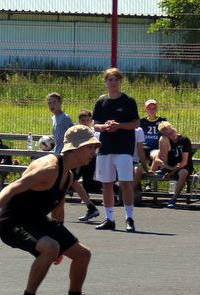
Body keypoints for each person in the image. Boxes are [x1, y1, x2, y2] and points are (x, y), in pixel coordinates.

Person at [0, 125, 107, 295]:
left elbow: (58, 209)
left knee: (82, 254)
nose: (93, 153)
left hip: (36, 220)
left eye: (94, 148)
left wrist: (62, 241)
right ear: (75, 148)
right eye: (90, 148)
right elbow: (11, 188)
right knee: (50, 247)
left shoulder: (68, 175)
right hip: (13, 222)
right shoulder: (49, 168)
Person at [92, 68, 140, 233]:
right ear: (105, 82)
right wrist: (104, 127)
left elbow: (135, 123)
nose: (113, 83)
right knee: (106, 184)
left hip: (123, 148)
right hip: (105, 148)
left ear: (120, 82)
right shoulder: (101, 102)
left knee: (125, 183)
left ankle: (129, 218)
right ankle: (110, 218)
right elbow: (95, 123)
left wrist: (119, 126)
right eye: (110, 80)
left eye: (116, 80)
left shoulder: (128, 101)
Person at [150, 121, 193, 208]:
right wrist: (165, 166)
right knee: (161, 141)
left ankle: (174, 198)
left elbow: (184, 162)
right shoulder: (165, 140)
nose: (172, 134)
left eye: (172, 131)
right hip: (170, 166)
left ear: (174, 128)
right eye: (168, 134)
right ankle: (155, 177)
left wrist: (172, 172)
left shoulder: (184, 140)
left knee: (183, 173)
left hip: (183, 166)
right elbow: (157, 158)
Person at [73, 109, 102, 222]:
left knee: (78, 180)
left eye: (87, 120)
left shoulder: (94, 132)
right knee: (72, 179)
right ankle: (89, 206)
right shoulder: (77, 131)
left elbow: (95, 147)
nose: (85, 122)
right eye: (82, 120)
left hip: (89, 160)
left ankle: (89, 206)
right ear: (79, 121)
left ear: (91, 120)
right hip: (78, 159)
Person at [46, 92, 74, 157]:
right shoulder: (54, 118)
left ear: (60, 103)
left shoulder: (65, 118)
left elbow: (73, 134)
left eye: (54, 102)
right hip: (57, 152)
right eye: (49, 103)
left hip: (65, 154)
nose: (52, 105)